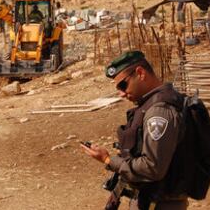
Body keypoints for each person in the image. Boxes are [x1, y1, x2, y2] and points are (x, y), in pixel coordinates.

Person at [81, 51, 190, 210]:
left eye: (123, 85)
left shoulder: (159, 111)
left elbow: (152, 167)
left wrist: (108, 160)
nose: (122, 93)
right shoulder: (152, 104)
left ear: (140, 73)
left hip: (159, 204)